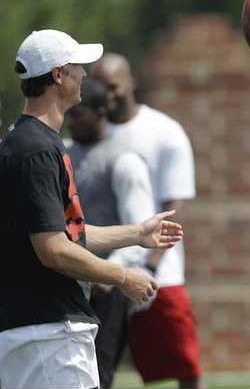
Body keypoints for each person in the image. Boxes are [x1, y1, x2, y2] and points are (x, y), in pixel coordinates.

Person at [0, 29, 183, 389]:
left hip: (38, 333)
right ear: (57, 75)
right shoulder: (35, 149)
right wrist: (122, 277)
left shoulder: (29, 142)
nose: (85, 74)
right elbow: (54, 250)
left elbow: (65, 233)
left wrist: (136, 234)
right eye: (78, 66)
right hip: (48, 335)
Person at [92, 53, 202, 388]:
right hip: (105, 274)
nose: (107, 95)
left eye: (112, 86)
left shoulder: (164, 131)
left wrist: (151, 267)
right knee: (98, 372)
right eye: (100, 87)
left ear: (131, 82)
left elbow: (174, 205)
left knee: (185, 370)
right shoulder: (93, 130)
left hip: (158, 276)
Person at [66, 78, 157, 389]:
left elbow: (142, 229)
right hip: (69, 281)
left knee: (98, 375)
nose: (71, 121)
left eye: (79, 114)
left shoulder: (124, 160)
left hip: (107, 290)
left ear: (101, 111)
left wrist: (111, 272)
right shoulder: (63, 152)